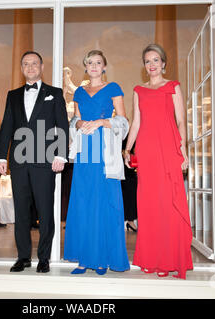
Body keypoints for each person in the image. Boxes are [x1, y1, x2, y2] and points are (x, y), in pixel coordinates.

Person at [124, 44, 193, 279]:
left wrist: (183, 152)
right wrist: (127, 149)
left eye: (156, 60)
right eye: (147, 61)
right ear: (144, 66)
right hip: (147, 153)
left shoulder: (173, 87)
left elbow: (181, 121)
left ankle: (171, 259)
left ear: (163, 63)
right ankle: (153, 259)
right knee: (150, 206)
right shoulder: (138, 90)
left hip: (168, 151)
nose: (152, 65)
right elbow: (135, 123)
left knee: (169, 204)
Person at [0, 51, 69, 273]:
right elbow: (6, 126)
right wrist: (1, 156)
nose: (30, 67)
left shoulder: (54, 93)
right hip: (19, 162)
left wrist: (60, 155)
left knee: (45, 211)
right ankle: (23, 257)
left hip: (46, 161)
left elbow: (62, 125)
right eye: (26, 64)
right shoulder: (13, 94)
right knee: (21, 213)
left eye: (34, 63)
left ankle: (44, 258)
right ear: (21, 68)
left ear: (42, 66)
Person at [64, 50, 130, 275]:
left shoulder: (113, 88)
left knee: (102, 201)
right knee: (83, 201)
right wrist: (80, 123)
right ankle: (84, 259)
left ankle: (101, 258)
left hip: (105, 151)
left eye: (98, 62)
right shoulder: (80, 92)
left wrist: (102, 121)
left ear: (104, 67)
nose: (94, 66)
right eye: (90, 62)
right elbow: (75, 119)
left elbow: (123, 120)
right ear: (85, 66)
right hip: (85, 152)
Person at [121, 135, 137, 232]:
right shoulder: (121, 135)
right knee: (126, 195)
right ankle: (129, 221)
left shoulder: (132, 136)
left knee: (131, 195)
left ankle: (130, 221)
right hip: (123, 169)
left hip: (131, 169)